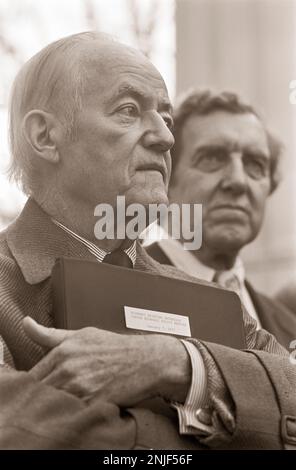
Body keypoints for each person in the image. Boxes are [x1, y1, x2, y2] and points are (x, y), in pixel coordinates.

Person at [0, 32, 295, 450]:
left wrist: (176, 364)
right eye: (128, 110)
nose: (165, 137)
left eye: (166, 117)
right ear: (45, 136)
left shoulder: (209, 297)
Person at [147, 89, 296, 350]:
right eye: (213, 158)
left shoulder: (288, 325)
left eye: (255, 164)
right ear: (167, 177)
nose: (238, 181)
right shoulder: (117, 284)